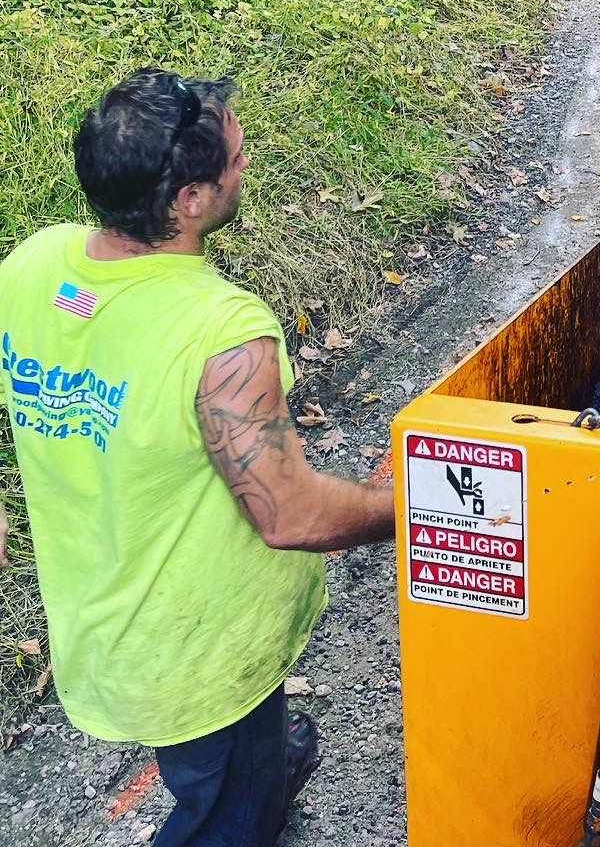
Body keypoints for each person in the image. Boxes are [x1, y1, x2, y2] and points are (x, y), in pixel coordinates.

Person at [0, 68, 396, 844]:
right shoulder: (221, 332)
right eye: (237, 161)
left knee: (236, 762)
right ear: (188, 199)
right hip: (203, 650)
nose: (246, 167)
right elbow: (292, 515)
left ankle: (270, 767)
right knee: (223, 815)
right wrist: (423, 508)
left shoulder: (33, 265)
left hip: (101, 618)